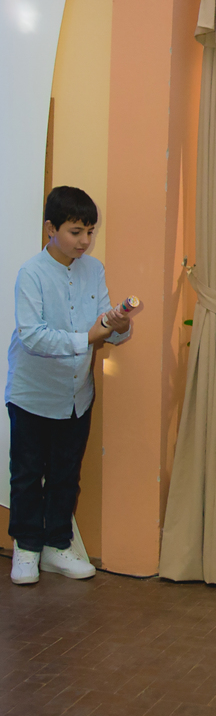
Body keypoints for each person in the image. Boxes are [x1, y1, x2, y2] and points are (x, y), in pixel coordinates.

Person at [6, 187, 132, 584]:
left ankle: (57, 546)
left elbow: (104, 327)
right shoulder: (31, 273)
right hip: (32, 393)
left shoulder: (93, 270)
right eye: (76, 231)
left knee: (65, 474)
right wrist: (89, 338)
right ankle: (25, 550)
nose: (84, 241)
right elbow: (33, 336)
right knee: (26, 474)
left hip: (77, 394)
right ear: (51, 228)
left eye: (90, 232)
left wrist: (119, 326)